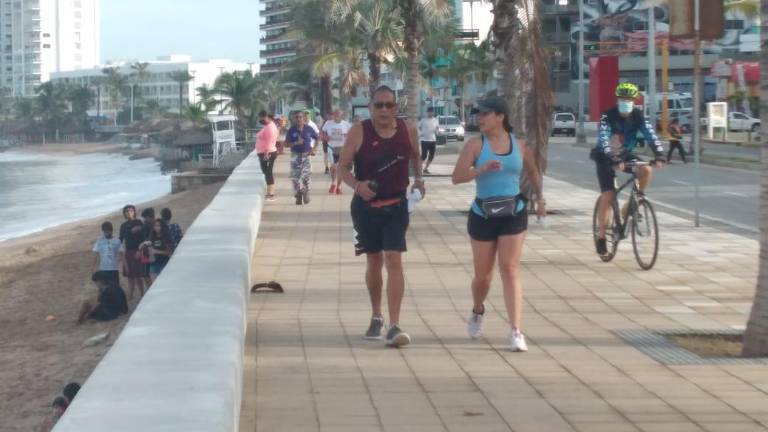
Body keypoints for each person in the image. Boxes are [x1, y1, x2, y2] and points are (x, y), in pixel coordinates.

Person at [450, 96, 545, 352]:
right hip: (482, 213)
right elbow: (456, 177)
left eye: (485, 114)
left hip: (514, 211)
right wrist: (481, 170)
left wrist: (540, 199)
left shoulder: (520, 145)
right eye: (477, 114)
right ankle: (478, 310)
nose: (479, 118)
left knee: (510, 268)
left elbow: (534, 172)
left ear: (501, 116)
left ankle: (516, 330)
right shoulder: (475, 145)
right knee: (483, 276)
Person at [337, 85, 425, 348]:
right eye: (379, 105)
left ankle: (394, 325)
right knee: (374, 262)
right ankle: (377, 315)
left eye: (389, 105)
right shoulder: (358, 131)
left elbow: (416, 155)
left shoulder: (407, 129)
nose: (384, 110)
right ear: (370, 108)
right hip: (366, 208)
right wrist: (357, 186)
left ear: (396, 107)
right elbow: (341, 167)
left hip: (396, 204)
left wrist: (418, 179)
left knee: (393, 259)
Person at [592, 82, 665, 256]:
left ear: (634, 100)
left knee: (646, 170)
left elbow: (649, 133)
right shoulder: (607, 116)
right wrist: (613, 158)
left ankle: (633, 203)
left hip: (625, 153)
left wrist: (660, 154)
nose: (627, 101)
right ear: (618, 99)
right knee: (609, 195)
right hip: (605, 155)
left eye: (629, 99)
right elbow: (604, 138)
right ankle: (601, 236)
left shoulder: (638, 115)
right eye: (623, 98)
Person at [284, 111, 319, 205]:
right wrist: (295, 143)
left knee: (306, 176)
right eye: (297, 117)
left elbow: (317, 138)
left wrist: (314, 149)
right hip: (295, 155)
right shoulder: (291, 130)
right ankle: (298, 195)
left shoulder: (309, 129)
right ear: (295, 119)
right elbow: (285, 144)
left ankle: (305, 193)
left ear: (304, 118)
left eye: (300, 117)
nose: (299, 119)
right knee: (295, 177)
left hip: (306, 155)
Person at [118, 205, 147, 299]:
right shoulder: (123, 225)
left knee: (138, 275)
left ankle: (142, 295)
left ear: (134, 211)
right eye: (126, 211)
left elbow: (145, 237)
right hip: (128, 251)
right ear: (124, 213)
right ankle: (130, 295)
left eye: (130, 210)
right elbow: (120, 239)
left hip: (138, 250)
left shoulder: (139, 222)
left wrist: (140, 250)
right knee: (130, 276)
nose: (129, 212)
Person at [321, 108, 352, 195]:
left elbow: (352, 135)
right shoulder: (328, 123)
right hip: (331, 147)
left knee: (340, 169)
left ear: (342, 116)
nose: (336, 116)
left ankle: (338, 186)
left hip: (342, 149)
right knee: (333, 167)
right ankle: (333, 183)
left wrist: (347, 136)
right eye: (335, 114)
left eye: (338, 115)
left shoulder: (346, 124)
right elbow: (322, 132)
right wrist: (325, 137)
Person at [255, 111, 280, 201]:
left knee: (268, 173)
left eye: (262, 118)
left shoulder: (270, 128)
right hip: (264, 152)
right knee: (266, 172)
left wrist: (266, 153)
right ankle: (270, 192)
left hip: (267, 153)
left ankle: (271, 194)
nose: (261, 120)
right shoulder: (267, 126)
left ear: (267, 118)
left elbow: (270, 141)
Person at [92, 221, 123, 286]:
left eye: (108, 231)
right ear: (103, 231)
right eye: (105, 231)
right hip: (103, 269)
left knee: (115, 287)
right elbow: (95, 254)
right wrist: (94, 267)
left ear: (111, 231)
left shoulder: (117, 241)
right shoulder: (99, 241)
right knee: (104, 287)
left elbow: (121, 254)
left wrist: (122, 265)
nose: (107, 233)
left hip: (114, 269)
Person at [418, 107, 440, 174]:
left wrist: (437, 131)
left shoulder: (436, 120)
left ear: (433, 112)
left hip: (432, 140)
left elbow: (437, 130)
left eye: (432, 112)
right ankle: (418, 168)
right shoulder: (423, 120)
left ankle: (425, 169)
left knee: (431, 156)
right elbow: (418, 128)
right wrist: (420, 134)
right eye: (429, 112)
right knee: (424, 155)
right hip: (424, 140)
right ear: (427, 112)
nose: (430, 113)